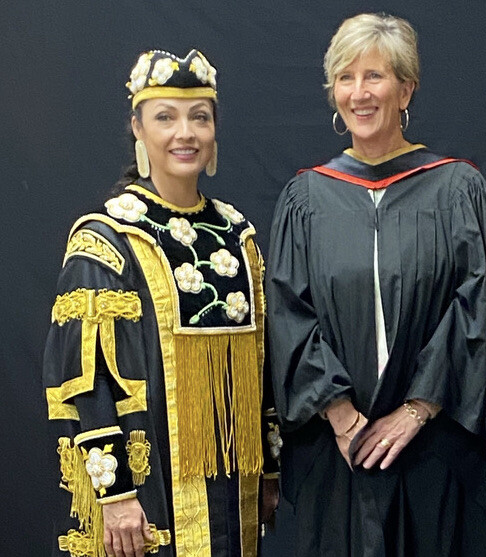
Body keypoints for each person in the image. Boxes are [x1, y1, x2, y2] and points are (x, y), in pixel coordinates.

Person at [266, 12, 486, 556]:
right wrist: (342, 416)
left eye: (374, 76)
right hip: (340, 453)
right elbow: (287, 312)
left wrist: (416, 409)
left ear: (406, 89)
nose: (359, 93)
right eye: (346, 78)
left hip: (434, 446)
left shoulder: (455, 187)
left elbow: (476, 308)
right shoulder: (306, 198)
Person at [43, 49, 280, 557]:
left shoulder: (239, 237)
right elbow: (81, 378)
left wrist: (269, 469)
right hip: (145, 493)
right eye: (165, 117)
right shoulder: (107, 239)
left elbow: (263, 368)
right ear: (138, 127)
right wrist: (115, 494)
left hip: (233, 491)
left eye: (200, 117)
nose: (185, 134)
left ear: (215, 129)